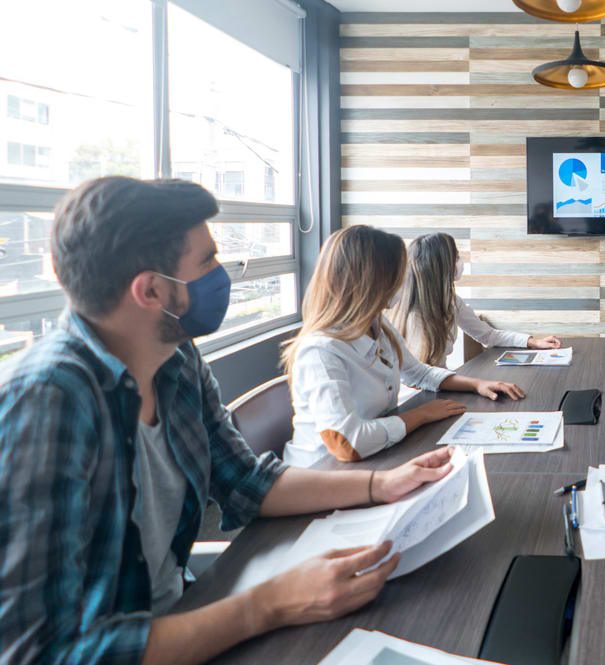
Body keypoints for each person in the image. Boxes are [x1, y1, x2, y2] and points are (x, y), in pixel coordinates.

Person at [0, 177, 462, 665]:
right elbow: (38, 653)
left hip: (185, 614)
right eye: (207, 262)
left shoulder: (175, 359)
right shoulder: (47, 402)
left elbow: (245, 480)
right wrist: (269, 606)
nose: (223, 276)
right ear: (151, 290)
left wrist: (383, 484)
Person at [284, 226, 526, 468]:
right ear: (372, 280)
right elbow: (347, 444)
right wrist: (421, 415)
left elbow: (419, 372)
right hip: (324, 474)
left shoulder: (380, 326)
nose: (404, 280)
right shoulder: (320, 351)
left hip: (376, 457)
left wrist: (477, 384)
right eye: (397, 273)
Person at [393, 232, 561, 368]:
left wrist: (534, 342)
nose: (460, 262)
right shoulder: (410, 314)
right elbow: (418, 376)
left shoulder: (451, 302)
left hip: (441, 384)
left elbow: (488, 335)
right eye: (456, 257)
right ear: (442, 265)